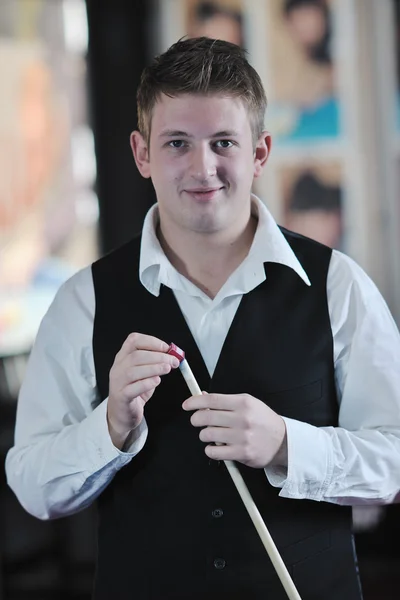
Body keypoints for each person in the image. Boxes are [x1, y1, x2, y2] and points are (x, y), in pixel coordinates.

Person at [5, 37, 400, 600]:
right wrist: (110, 426)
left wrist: (288, 444)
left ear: (260, 152)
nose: (202, 166)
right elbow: (32, 487)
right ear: (142, 154)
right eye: (177, 143)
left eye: (223, 142)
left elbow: (395, 457)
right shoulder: (82, 301)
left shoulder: (339, 286)